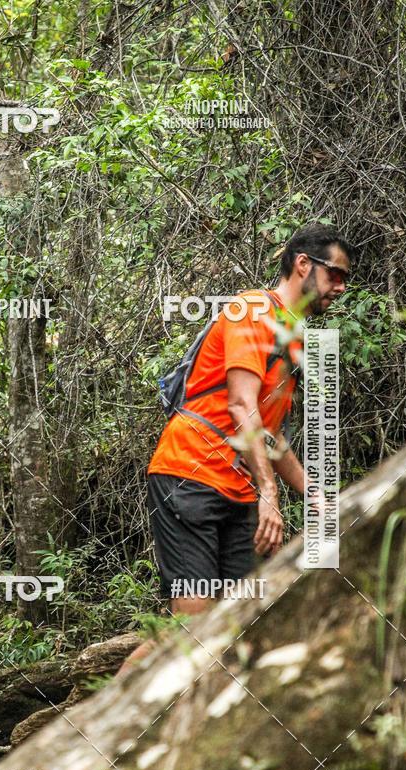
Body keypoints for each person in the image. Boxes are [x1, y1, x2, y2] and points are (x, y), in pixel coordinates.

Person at [119, 222, 352, 674]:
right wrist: (271, 494)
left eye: (345, 279)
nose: (340, 287)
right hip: (190, 475)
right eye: (335, 274)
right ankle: (97, 729)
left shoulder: (293, 333)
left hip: (237, 489)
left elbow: (270, 434)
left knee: (241, 623)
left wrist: (318, 497)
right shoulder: (251, 312)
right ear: (303, 264)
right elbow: (242, 404)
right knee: (192, 628)